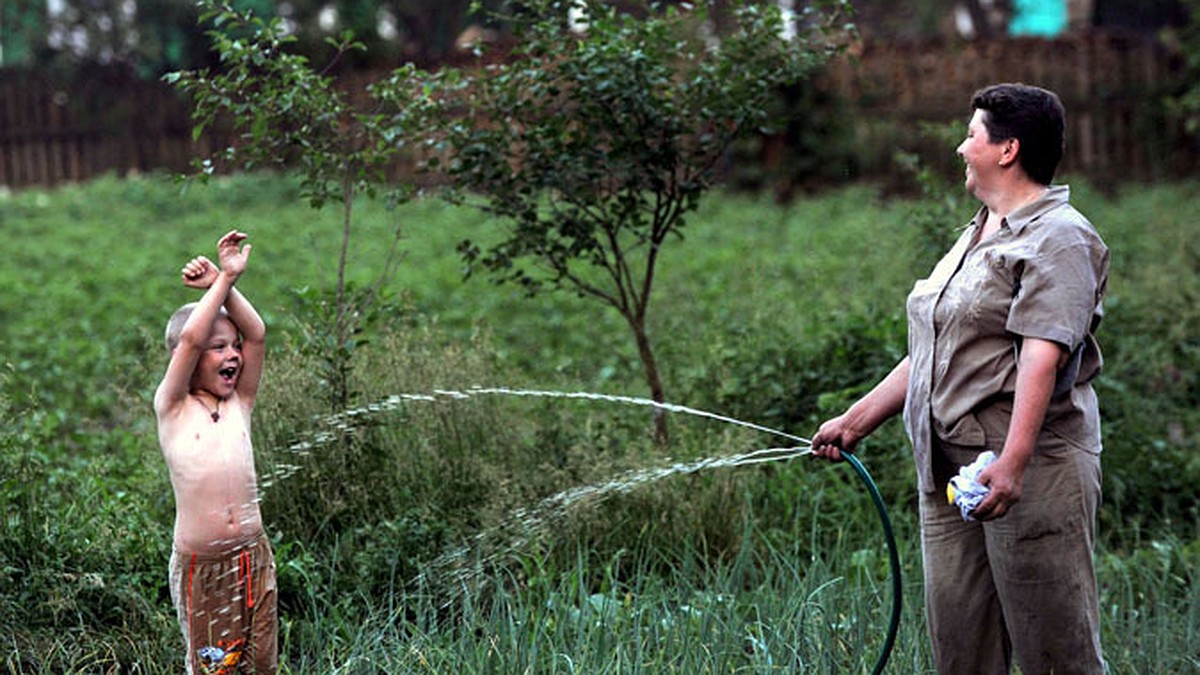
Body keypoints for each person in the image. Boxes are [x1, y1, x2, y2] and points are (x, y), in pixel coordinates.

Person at [811, 83, 1108, 674]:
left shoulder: (1061, 237)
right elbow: (936, 346)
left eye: (971, 135)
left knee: (1055, 652)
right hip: (950, 473)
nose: (959, 148)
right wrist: (857, 419)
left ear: (1007, 150)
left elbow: (1040, 358)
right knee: (962, 649)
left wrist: (1014, 461)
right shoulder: (978, 231)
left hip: (1028, 469)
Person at [155, 230, 277, 674]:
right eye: (218, 347)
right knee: (214, 669)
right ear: (185, 362)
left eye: (234, 346)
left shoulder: (238, 404)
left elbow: (258, 334)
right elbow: (189, 339)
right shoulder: (172, 407)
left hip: (254, 557)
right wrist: (221, 282)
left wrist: (221, 285)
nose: (233, 355)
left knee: (260, 665)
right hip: (202, 570)